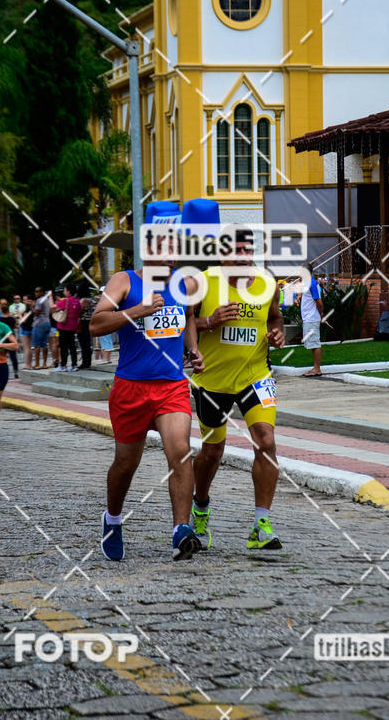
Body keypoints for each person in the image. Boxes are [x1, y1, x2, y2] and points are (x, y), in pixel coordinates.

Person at [89, 241, 204, 562]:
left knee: (180, 451)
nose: (170, 257)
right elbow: (95, 324)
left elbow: (190, 317)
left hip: (172, 386)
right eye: (163, 250)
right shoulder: (125, 281)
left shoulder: (186, 284)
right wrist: (138, 311)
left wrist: (193, 349)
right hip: (130, 389)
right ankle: (112, 519)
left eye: (174, 251)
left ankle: (181, 530)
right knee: (126, 464)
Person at [190, 228, 285, 551]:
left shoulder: (266, 284)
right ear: (221, 256)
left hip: (254, 375)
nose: (243, 257)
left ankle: (261, 524)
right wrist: (209, 322)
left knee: (266, 440)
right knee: (213, 451)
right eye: (236, 252)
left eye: (248, 251)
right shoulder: (204, 282)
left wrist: (276, 334)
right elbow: (185, 321)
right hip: (211, 381)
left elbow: (275, 319)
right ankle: (200, 507)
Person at [300, 263, 324, 377]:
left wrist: (321, 314)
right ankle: (315, 367)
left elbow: (319, 302)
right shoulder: (307, 283)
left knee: (315, 343)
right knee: (312, 344)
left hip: (312, 318)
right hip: (308, 318)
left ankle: (317, 369)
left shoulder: (312, 284)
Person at [54, 283, 82, 372]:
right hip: (73, 327)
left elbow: (53, 307)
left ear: (69, 292)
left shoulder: (66, 301)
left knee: (63, 347)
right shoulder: (77, 301)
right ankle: (74, 365)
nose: (63, 292)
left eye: (65, 290)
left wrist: (51, 298)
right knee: (72, 346)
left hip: (63, 326)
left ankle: (63, 365)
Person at [0, 299, 19, 379]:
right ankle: (16, 371)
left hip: (3, 339)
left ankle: (1, 371)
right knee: (13, 356)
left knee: (2, 356)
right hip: (11, 338)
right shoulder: (12, 318)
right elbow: (16, 325)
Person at [32, 286, 51, 370]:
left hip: (39, 324)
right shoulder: (47, 300)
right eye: (35, 291)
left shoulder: (39, 301)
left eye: (37, 291)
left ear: (42, 292)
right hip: (47, 322)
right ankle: (44, 364)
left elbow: (36, 313)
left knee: (37, 345)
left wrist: (32, 307)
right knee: (44, 344)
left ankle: (37, 364)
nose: (36, 293)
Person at [77, 280, 94, 370]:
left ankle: (85, 362)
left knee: (84, 343)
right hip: (89, 322)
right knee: (87, 343)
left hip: (83, 322)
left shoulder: (83, 300)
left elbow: (78, 311)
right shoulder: (91, 300)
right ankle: (87, 361)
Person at [18, 296, 34, 369]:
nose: (24, 301)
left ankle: (28, 364)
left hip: (25, 329)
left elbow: (24, 320)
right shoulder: (33, 308)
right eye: (24, 300)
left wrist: (19, 315)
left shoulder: (28, 309)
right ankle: (29, 364)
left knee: (27, 348)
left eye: (25, 300)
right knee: (29, 347)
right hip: (30, 328)